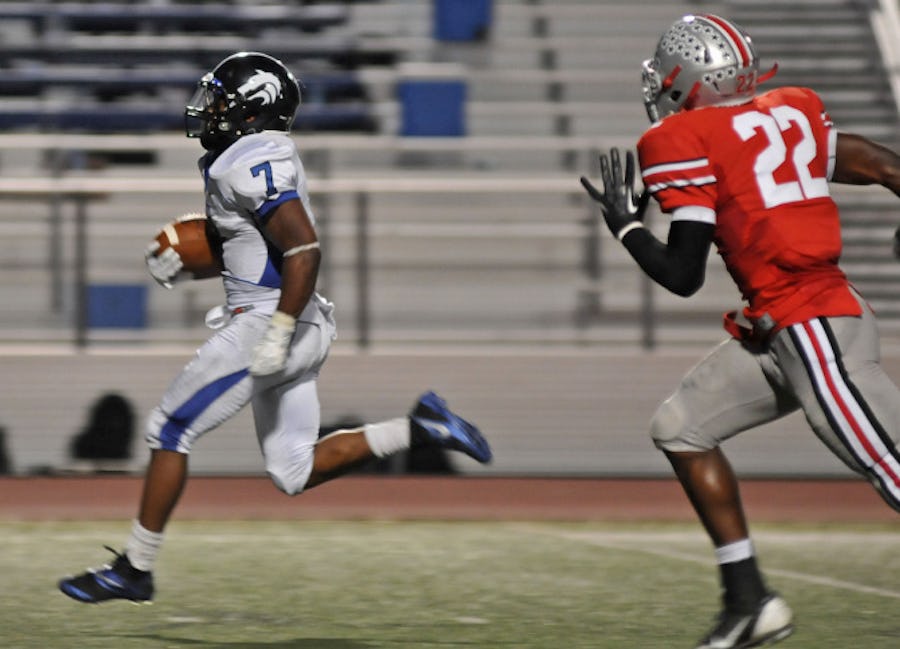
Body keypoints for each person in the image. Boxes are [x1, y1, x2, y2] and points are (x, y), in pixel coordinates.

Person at [58, 51, 492, 604]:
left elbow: (303, 248)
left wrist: (278, 331)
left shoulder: (252, 158)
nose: (208, 108)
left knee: (169, 429)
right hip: (294, 320)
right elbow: (258, 246)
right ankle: (420, 428)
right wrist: (198, 260)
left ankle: (134, 569)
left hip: (272, 321)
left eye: (221, 101)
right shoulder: (241, 158)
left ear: (252, 110)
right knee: (293, 469)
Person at [581, 14, 900, 649]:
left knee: (894, 468)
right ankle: (749, 603)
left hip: (813, 327)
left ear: (684, 80)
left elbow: (683, 275)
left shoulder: (684, 136)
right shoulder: (790, 110)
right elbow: (884, 165)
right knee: (680, 428)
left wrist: (626, 227)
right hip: (781, 330)